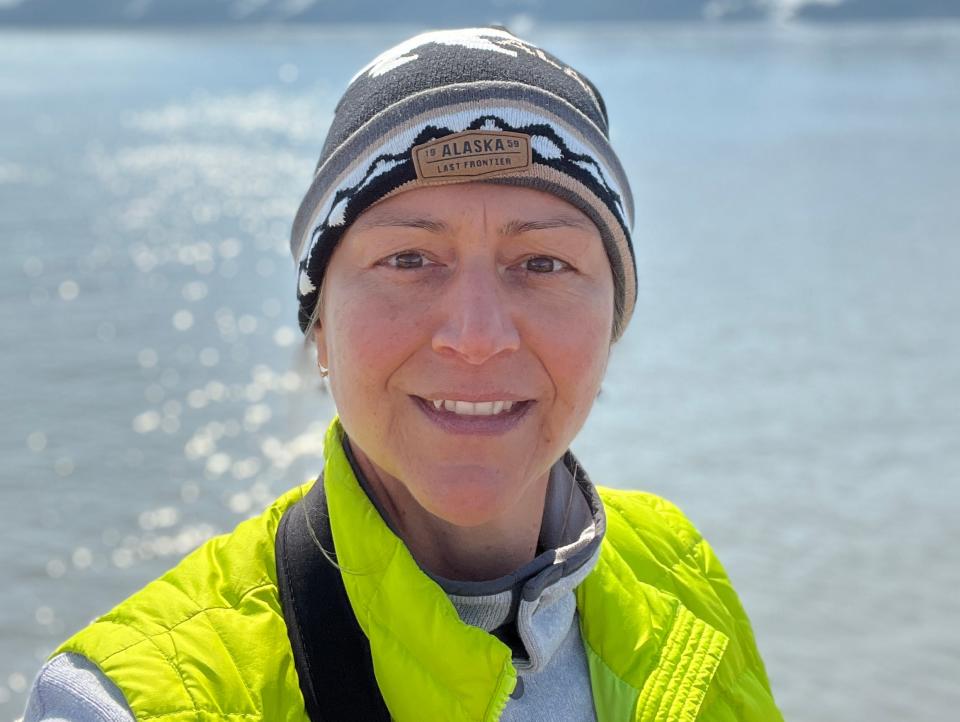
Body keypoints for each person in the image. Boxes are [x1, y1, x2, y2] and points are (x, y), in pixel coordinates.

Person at [24, 26, 782, 722]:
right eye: (409, 260)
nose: (477, 337)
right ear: (320, 325)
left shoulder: (676, 565)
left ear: (612, 323)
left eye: (543, 263)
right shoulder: (123, 702)